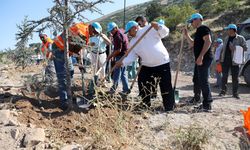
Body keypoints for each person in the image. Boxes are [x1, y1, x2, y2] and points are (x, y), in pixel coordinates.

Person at [116, 21, 174, 112]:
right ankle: (145, 105)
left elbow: (165, 32)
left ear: (135, 27)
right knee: (142, 83)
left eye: (129, 31)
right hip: (147, 65)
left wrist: (159, 26)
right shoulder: (133, 42)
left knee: (165, 86)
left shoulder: (149, 29)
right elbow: (132, 56)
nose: (129, 34)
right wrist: (122, 63)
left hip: (162, 62)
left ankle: (169, 107)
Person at [51, 22, 95, 110]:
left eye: (96, 33)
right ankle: (64, 101)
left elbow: (78, 50)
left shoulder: (87, 36)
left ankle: (69, 96)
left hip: (67, 52)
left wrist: (80, 64)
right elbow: (75, 41)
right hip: (59, 49)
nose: (94, 34)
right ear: (91, 27)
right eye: (95, 31)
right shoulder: (82, 29)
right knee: (62, 76)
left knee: (70, 72)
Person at [184, 13, 213, 112]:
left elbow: (208, 41)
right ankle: (196, 98)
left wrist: (201, 56)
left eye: (192, 21)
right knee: (196, 79)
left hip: (204, 59)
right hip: (199, 59)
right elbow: (192, 43)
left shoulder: (203, 28)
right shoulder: (198, 31)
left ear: (198, 19)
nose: (191, 23)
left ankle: (207, 104)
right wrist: (186, 35)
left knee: (203, 81)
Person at [219, 24, 248, 99]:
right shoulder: (226, 38)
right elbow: (223, 49)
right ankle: (223, 91)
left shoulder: (240, 38)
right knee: (224, 77)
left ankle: (235, 93)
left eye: (228, 29)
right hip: (225, 61)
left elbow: (245, 48)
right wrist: (220, 58)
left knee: (235, 78)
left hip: (235, 61)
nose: (227, 31)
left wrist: (235, 48)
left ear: (232, 30)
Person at [106, 22, 130, 95]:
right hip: (124, 54)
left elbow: (118, 50)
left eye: (112, 30)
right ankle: (126, 89)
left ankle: (113, 89)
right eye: (110, 31)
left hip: (121, 56)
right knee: (123, 73)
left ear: (116, 28)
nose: (111, 32)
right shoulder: (121, 31)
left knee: (117, 73)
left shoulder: (117, 36)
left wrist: (110, 56)